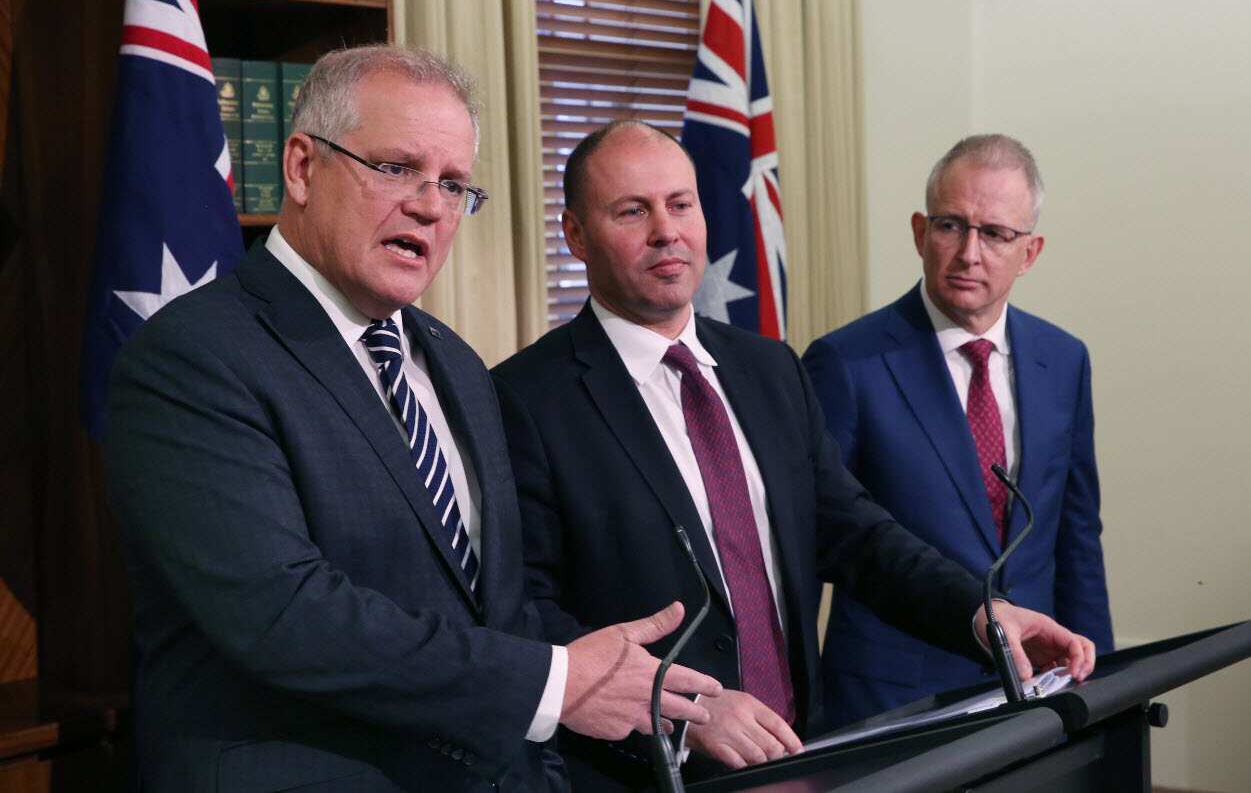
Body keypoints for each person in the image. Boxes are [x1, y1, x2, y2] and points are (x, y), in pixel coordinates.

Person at [106, 47, 721, 793]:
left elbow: (492, 609)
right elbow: (286, 616)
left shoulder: (457, 364)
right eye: (397, 168)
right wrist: (557, 681)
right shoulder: (194, 356)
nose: (430, 205)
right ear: (301, 167)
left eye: (454, 184)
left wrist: (620, 686)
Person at [491, 121, 1096, 790]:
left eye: (680, 204)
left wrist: (980, 614)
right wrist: (685, 710)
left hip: (803, 752)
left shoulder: (768, 368)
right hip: (643, 771)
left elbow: (855, 533)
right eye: (632, 211)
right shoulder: (523, 397)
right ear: (575, 235)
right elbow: (525, 612)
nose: (666, 230)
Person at [803, 134, 1114, 729]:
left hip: (1034, 683)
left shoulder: (1063, 358)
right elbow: (821, 537)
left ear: (1030, 251)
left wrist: (1100, 685)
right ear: (921, 232)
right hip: (892, 699)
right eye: (952, 226)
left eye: (996, 233)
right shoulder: (847, 363)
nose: (970, 253)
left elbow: (1076, 533)